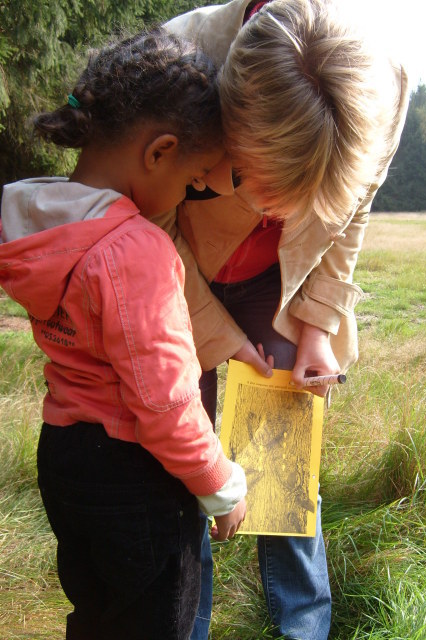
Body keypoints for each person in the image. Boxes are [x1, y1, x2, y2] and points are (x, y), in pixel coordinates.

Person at [155, 1, 409, 639]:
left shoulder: (386, 83)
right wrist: (220, 339)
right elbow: (148, 225)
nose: (275, 213)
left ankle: (305, 627)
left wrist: (317, 327)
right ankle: (185, 621)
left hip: (281, 286)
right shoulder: (175, 60)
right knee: (182, 455)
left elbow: (352, 214)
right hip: (179, 274)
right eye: (261, 182)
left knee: (285, 460)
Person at [0, 27, 248, 640]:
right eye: (193, 177)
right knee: (154, 622)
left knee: (96, 613)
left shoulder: (28, 214)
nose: (190, 193)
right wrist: (219, 483)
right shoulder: (137, 248)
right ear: (159, 151)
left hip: (63, 457)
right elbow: (163, 400)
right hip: (136, 476)